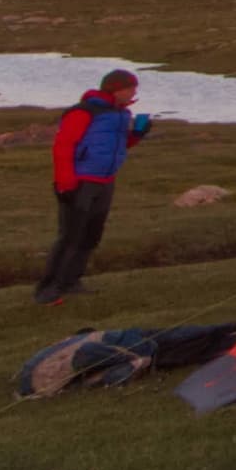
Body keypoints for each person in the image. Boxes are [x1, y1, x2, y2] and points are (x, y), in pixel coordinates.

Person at [37, 70, 156, 306]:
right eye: (131, 87)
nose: (134, 92)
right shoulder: (84, 112)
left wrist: (138, 134)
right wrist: (66, 183)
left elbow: (117, 146)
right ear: (116, 88)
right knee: (70, 235)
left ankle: (71, 281)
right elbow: (63, 147)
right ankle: (48, 289)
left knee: (90, 235)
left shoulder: (121, 114)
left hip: (105, 181)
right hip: (80, 181)